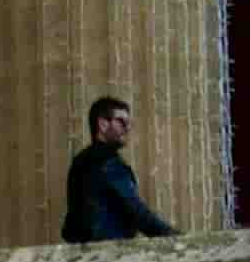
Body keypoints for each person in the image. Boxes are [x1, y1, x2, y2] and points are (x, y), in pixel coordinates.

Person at [60, 92, 174, 243]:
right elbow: (137, 211)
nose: (127, 128)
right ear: (102, 124)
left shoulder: (80, 161)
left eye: (128, 123)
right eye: (121, 121)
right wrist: (177, 239)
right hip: (108, 253)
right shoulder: (107, 161)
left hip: (82, 256)